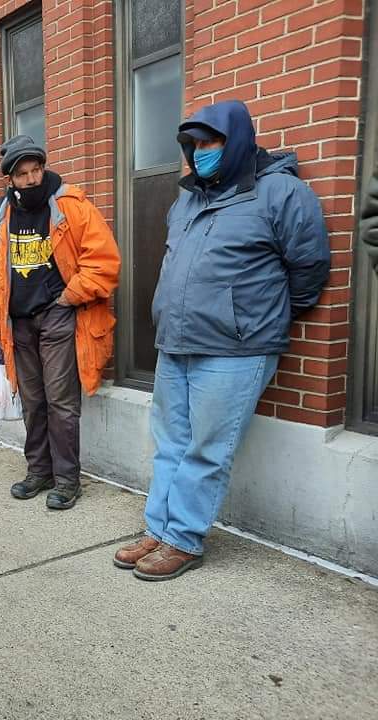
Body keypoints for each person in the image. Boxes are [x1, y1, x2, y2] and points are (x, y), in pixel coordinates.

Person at [113, 100, 330, 581]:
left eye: (210, 141)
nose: (200, 152)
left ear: (237, 140)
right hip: (177, 343)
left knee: (206, 450)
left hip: (236, 349)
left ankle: (183, 539)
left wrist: (259, 317)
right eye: (193, 144)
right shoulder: (187, 201)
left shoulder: (281, 193)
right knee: (169, 444)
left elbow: (309, 268)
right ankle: (158, 529)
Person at [0, 135, 121, 511]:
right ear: (10, 178)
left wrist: (68, 297)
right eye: (22, 174)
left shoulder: (70, 205)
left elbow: (104, 261)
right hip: (18, 324)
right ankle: (39, 471)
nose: (32, 179)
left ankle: (68, 480)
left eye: (36, 170)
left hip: (58, 316)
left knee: (61, 402)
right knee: (32, 402)